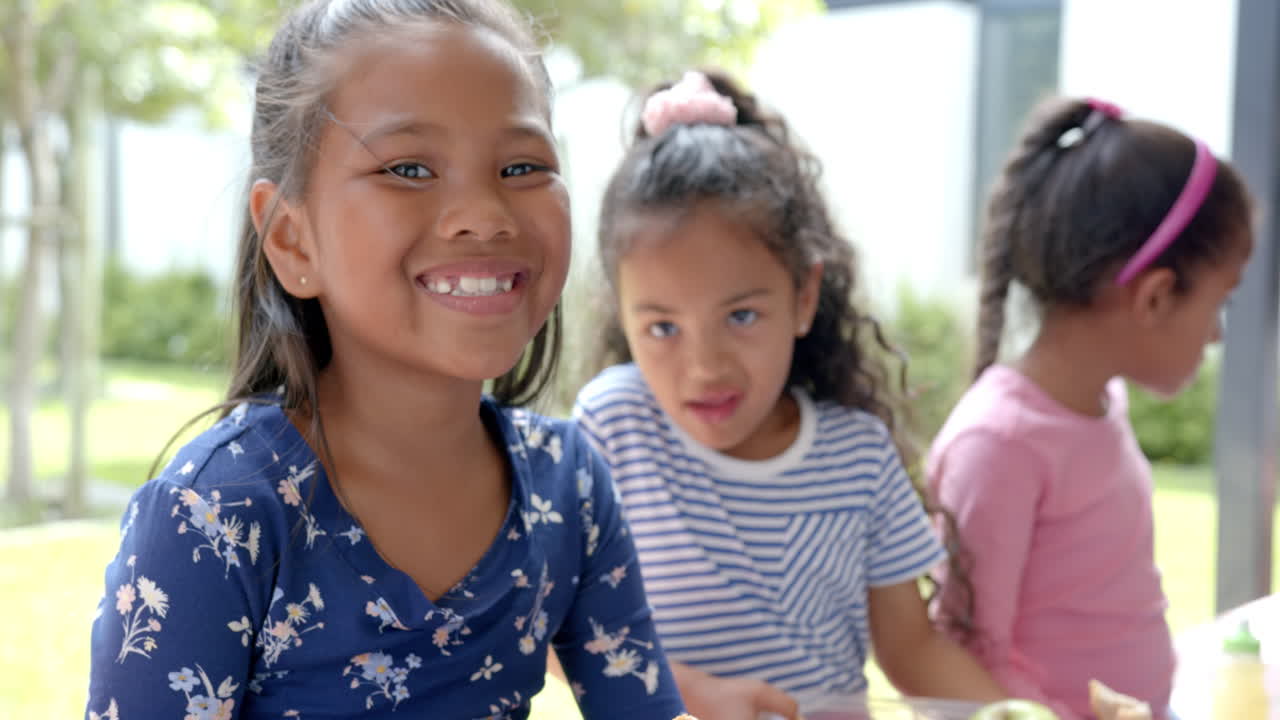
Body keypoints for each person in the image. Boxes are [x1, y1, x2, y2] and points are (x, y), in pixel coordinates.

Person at [84, 1, 687, 717]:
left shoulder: (571, 487)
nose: (486, 214)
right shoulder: (212, 515)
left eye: (522, 165)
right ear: (291, 241)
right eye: (408, 168)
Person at [571, 70, 1005, 720]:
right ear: (622, 315)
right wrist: (694, 692)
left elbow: (912, 649)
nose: (704, 368)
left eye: (741, 316)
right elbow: (556, 624)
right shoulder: (612, 427)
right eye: (663, 327)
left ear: (804, 296)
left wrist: (1028, 715)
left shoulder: (858, 455)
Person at [928, 96, 1253, 719]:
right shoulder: (999, 444)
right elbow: (959, 659)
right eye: (1221, 304)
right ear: (1156, 296)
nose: (1216, 335)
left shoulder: (1102, 404)